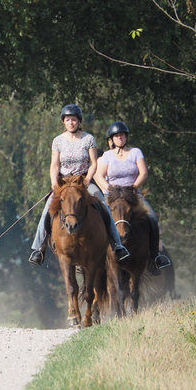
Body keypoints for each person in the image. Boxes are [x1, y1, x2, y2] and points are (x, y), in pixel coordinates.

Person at [28, 104, 130, 266]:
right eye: (68, 120)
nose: (71, 123)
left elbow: (93, 163)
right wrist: (55, 183)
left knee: (102, 203)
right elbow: (54, 165)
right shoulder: (58, 141)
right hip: (64, 182)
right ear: (64, 122)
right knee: (48, 207)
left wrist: (88, 178)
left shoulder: (88, 139)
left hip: (83, 180)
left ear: (79, 121)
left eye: (74, 120)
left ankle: (117, 245)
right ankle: (39, 248)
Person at [94, 121, 171, 274]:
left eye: (122, 135)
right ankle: (96, 257)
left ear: (126, 136)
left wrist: (134, 187)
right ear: (112, 139)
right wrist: (109, 189)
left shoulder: (136, 152)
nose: (119, 138)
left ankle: (155, 257)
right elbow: (99, 175)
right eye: (116, 136)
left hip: (133, 194)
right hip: (113, 196)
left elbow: (143, 173)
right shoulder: (108, 156)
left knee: (152, 219)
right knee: (96, 219)